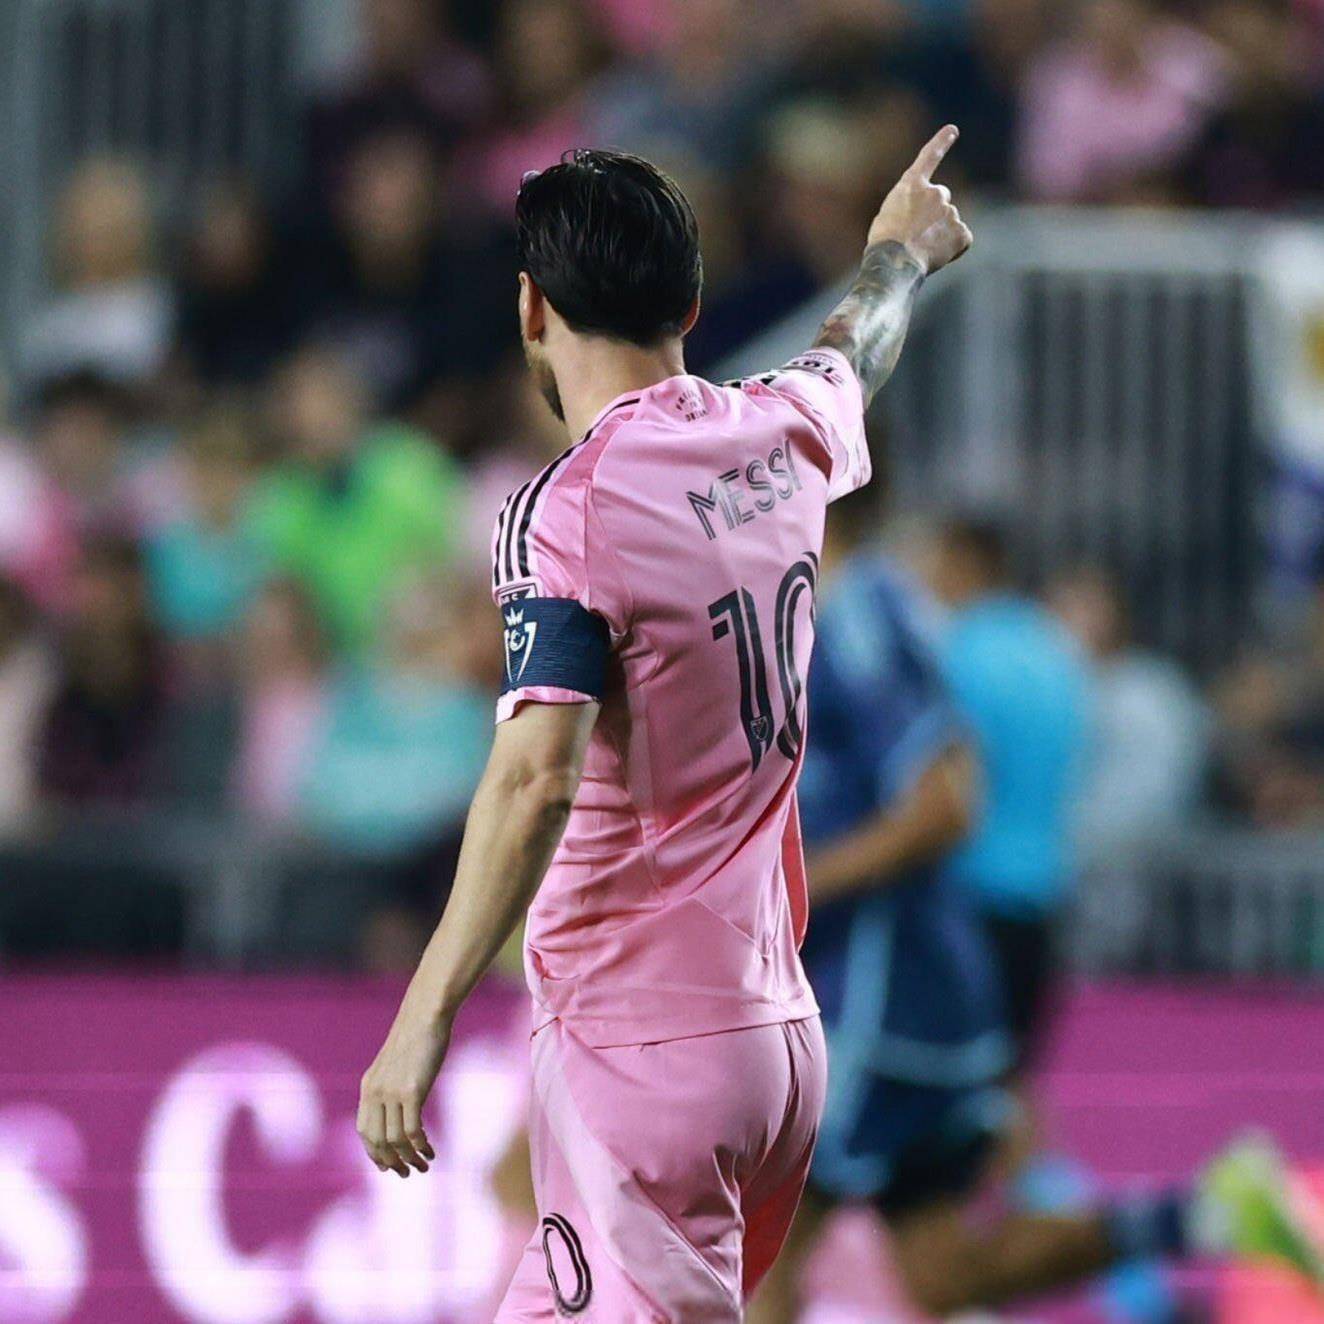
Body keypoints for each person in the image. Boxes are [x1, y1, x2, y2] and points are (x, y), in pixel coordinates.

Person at [356, 128, 974, 1321]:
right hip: (769, 1040)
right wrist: (897, 255)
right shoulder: (779, 433)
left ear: (531, 307)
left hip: (642, 1045)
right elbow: (855, 347)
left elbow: (535, 780)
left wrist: (422, 1015)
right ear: (689, 304)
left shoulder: (567, 509)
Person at [749, 499, 1324, 1323]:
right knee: (940, 1265)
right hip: (1001, 928)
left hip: (886, 980)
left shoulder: (873, 618)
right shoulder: (1040, 651)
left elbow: (945, 802)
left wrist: (786, 889)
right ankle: (1201, 1217)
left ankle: (1148, 1294)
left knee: (766, 1250)